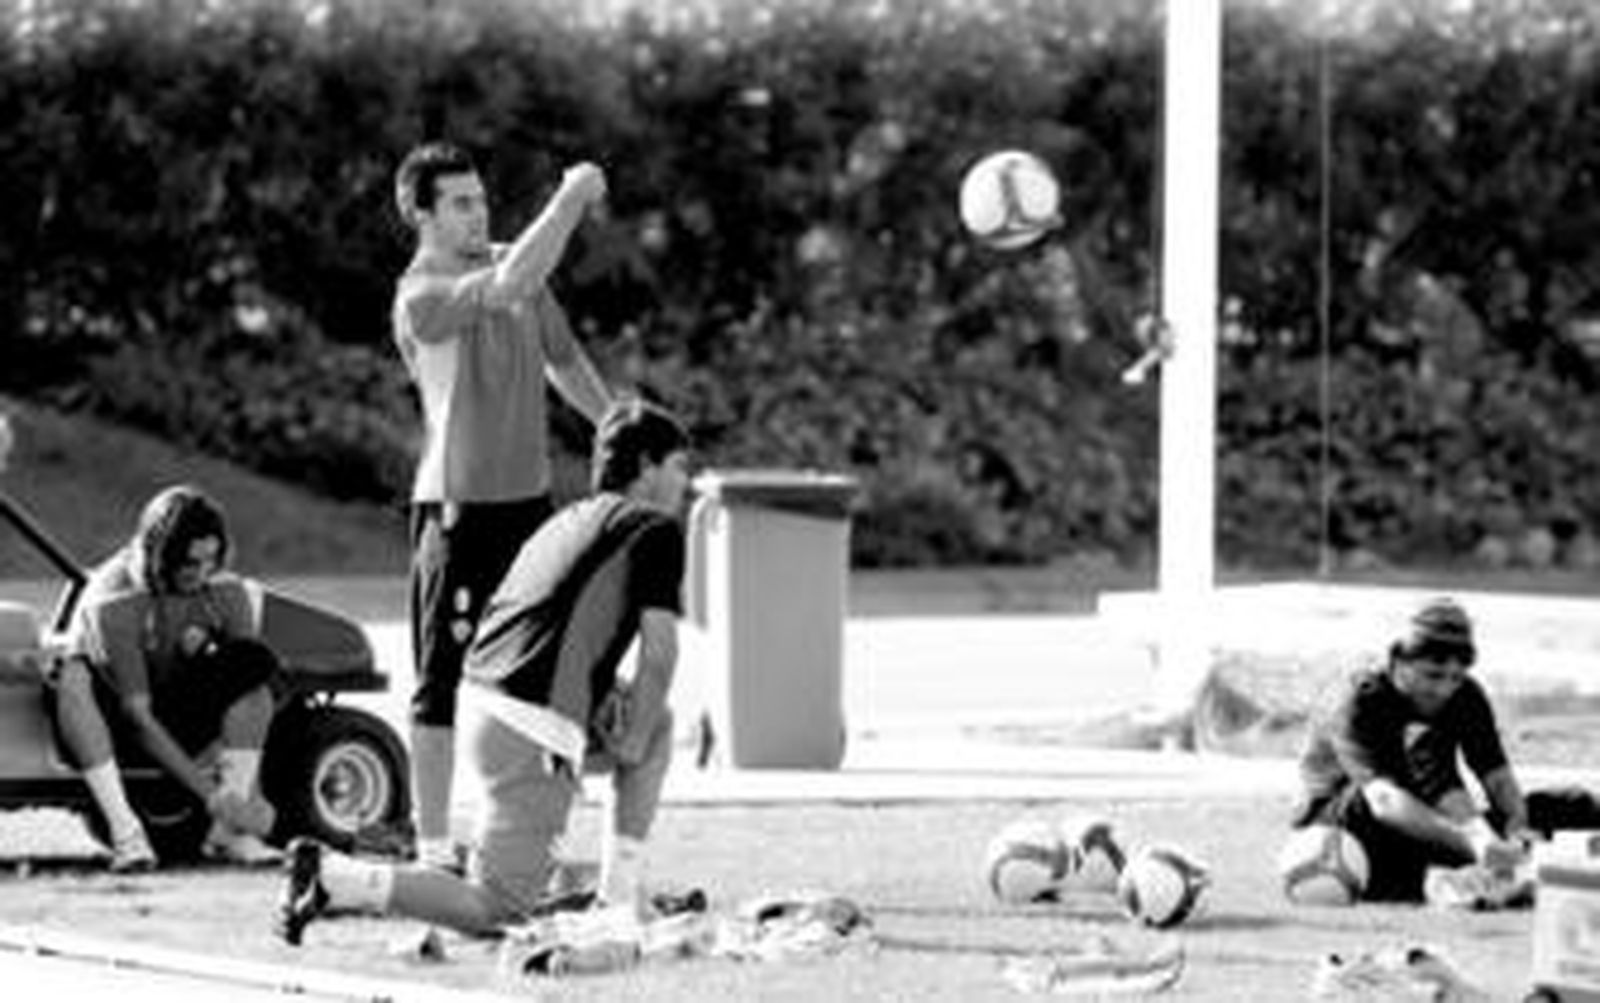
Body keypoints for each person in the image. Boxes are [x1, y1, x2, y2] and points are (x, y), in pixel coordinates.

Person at [277, 399, 692, 945]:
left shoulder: (566, 521)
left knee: (656, 719)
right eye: (680, 467)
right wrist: (630, 741)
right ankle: (338, 878)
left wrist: (628, 723)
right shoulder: (654, 528)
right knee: (497, 908)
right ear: (645, 466)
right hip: (531, 722)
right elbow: (660, 651)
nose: (686, 483)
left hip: (483, 705)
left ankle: (615, 899)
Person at [391, 142, 615, 872]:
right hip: (457, 509)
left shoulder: (516, 265)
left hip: (531, 508)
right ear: (417, 213)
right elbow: (514, 279)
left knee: (540, 678)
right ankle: (430, 854)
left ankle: (524, 847)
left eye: (481, 199)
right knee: (442, 681)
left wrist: (617, 431)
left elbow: (566, 359)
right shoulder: (421, 291)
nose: (477, 212)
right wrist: (573, 194)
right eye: (458, 202)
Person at [1291, 596, 1599, 903]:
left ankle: (1486, 875)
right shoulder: (1358, 701)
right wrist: (1473, 841)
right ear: (1398, 661)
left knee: (1574, 805)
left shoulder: (1465, 695)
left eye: (1455, 677)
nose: (1444, 689)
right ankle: (1466, 878)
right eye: (1433, 675)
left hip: (1432, 822)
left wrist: (1516, 827)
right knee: (1382, 802)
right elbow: (1384, 800)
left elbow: (1496, 777)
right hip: (1348, 825)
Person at [61, 485, 282, 869]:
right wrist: (212, 795)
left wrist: (248, 794)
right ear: (159, 558)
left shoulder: (225, 590)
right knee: (73, 677)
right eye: (189, 564)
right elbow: (139, 719)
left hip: (177, 711)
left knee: (254, 679)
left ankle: (228, 834)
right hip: (119, 719)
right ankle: (127, 836)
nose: (202, 574)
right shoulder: (116, 602)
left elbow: (247, 683)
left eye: (210, 561)